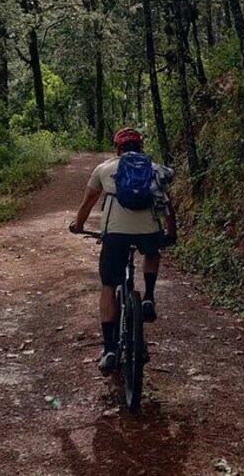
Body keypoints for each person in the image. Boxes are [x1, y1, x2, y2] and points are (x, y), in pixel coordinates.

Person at [69, 128, 177, 375]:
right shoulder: (153, 168)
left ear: (116, 148)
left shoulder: (104, 169)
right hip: (149, 231)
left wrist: (79, 226)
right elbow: (167, 206)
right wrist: (171, 233)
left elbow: (88, 202)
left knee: (108, 284)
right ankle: (148, 296)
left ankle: (109, 349)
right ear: (140, 147)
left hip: (116, 235)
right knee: (152, 251)